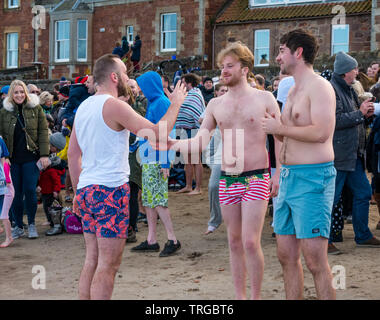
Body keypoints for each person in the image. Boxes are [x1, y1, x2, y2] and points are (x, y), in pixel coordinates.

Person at [167, 41, 281, 300]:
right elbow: (199, 141)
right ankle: (240, 296)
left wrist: (277, 173)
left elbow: (279, 138)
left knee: (251, 242)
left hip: (257, 176)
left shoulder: (265, 98)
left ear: (245, 68)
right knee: (234, 241)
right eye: (221, 67)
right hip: (229, 179)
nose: (223, 72)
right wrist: (172, 142)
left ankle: (255, 297)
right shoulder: (215, 105)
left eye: (229, 66)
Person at [67, 53, 187, 300]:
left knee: (92, 259)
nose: (127, 77)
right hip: (110, 190)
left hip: (88, 189)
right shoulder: (113, 106)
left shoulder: (83, 107)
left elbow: (72, 155)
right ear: (114, 77)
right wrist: (175, 103)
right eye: (124, 73)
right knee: (108, 265)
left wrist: (78, 191)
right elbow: (156, 133)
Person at [261, 29, 337, 300]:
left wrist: (278, 127)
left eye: (282, 50)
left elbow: (320, 133)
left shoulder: (320, 87)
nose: (277, 56)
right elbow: (286, 134)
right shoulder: (292, 89)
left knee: (315, 260)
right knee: (286, 256)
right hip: (289, 177)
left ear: (298, 52)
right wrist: (279, 171)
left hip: (313, 177)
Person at [326, 51, 380, 255]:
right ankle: (325, 240)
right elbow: (335, 120)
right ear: (345, 72)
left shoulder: (347, 89)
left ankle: (363, 235)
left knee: (364, 193)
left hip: (353, 154)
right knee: (332, 198)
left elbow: (350, 118)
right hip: (340, 155)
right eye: (355, 69)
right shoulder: (333, 90)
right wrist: (360, 113)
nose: (358, 72)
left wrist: (364, 113)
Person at [131, 71, 181, 257]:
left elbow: (166, 133)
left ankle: (172, 239)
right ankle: (152, 239)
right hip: (150, 157)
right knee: (150, 200)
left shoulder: (160, 102)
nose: (141, 90)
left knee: (158, 200)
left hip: (156, 159)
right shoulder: (155, 101)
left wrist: (165, 162)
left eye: (143, 86)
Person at [0, 80, 49, 240]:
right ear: (11, 94)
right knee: (14, 193)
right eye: (16, 92)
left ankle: (32, 224)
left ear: (26, 93)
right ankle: (18, 226)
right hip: (11, 160)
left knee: (29, 190)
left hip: (31, 157)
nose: (19, 95)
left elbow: (43, 132)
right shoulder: (4, 112)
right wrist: (4, 156)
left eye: (22, 92)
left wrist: (44, 154)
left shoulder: (36, 108)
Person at [199, 83, 228, 235]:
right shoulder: (214, 105)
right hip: (219, 151)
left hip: (240, 152)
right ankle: (215, 220)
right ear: (216, 92)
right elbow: (202, 123)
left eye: (226, 90)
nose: (225, 92)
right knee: (213, 185)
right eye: (222, 90)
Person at [175, 73, 206, 195]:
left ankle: (198, 188)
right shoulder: (186, 94)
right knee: (187, 160)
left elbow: (196, 111)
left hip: (194, 130)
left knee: (196, 159)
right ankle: (188, 185)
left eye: (183, 82)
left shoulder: (195, 94)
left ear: (189, 83)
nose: (182, 85)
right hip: (183, 129)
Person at [125, 78, 147, 243]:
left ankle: (131, 227)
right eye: (128, 87)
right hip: (121, 156)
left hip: (135, 155)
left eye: (132, 87)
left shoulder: (143, 104)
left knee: (132, 191)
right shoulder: (120, 104)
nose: (130, 89)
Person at [38, 132, 66, 232]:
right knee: (48, 206)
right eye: (57, 149)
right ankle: (50, 220)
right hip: (46, 190)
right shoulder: (48, 159)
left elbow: (56, 181)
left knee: (50, 207)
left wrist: (56, 190)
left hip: (49, 190)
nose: (57, 152)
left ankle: (52, 221)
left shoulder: (52, 168)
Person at [0, 137, 14, 248]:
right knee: (3, 215)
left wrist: (7, 181)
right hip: (4, 189)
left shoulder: (4, 165)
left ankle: (9, 237)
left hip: (6, 190)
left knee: (4, 215)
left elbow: (5, 162)